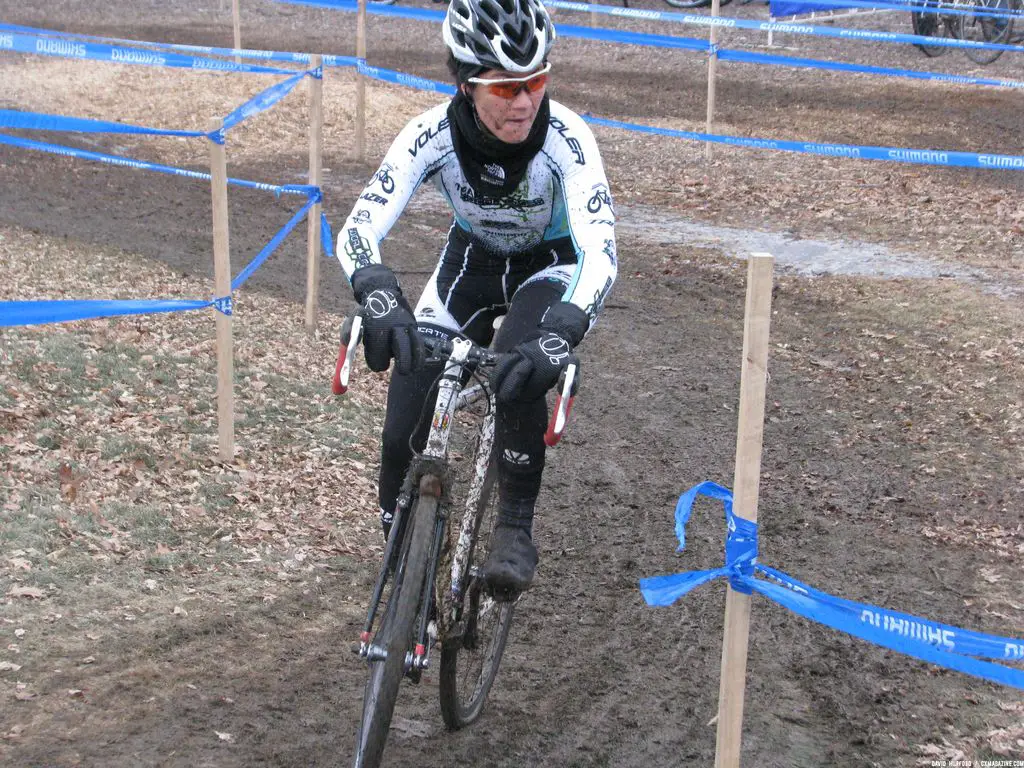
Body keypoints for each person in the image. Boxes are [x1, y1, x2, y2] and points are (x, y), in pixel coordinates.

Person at [336, 0, 617, 594]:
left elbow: (601, 255)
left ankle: (515, 529)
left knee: (519, 368)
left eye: (536, 81)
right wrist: (379, 293)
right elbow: (359, 228)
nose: (524, 102)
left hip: (551, 267)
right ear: (466, 86)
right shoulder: (429, 136)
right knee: (403, 413)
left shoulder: (568, 140)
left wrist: (563, 330)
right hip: (473, 264)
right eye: (506, 87)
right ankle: (398, 536)